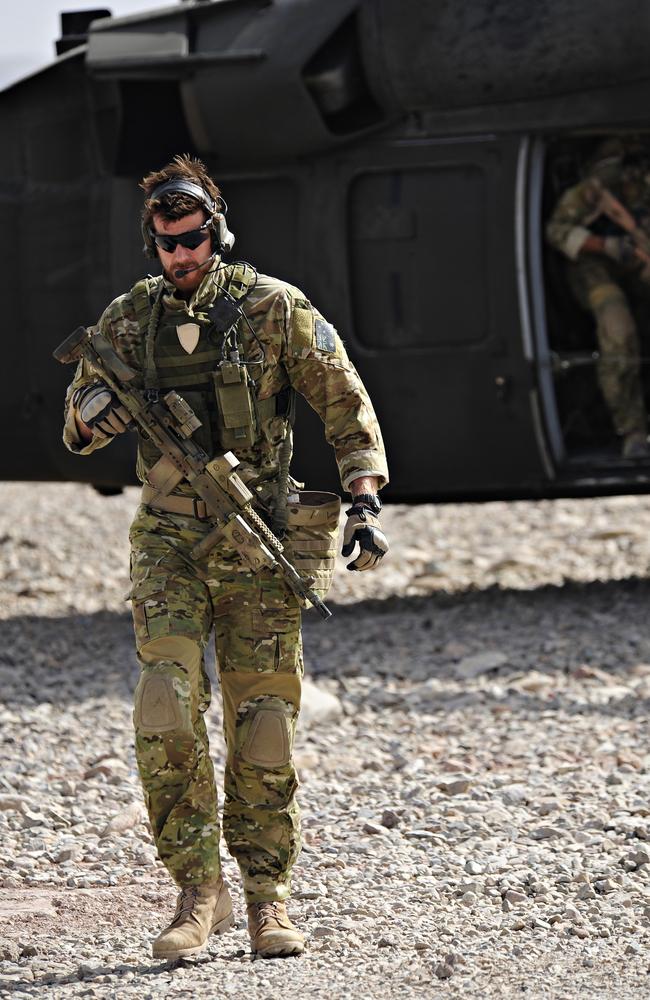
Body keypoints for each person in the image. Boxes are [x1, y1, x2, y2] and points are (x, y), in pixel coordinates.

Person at [62, 155, 389, 960]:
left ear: (218, 230)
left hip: (260, 535)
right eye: (168, 243)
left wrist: (364, 499)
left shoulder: (272, 309)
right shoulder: (128, 321)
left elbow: (344, 402)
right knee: (166, 704)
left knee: (265, 720)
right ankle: (193, 892)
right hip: (170, 536)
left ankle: (266, 899)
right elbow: (74, 427)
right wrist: (95, 415)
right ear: (153, 243)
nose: (182, 256)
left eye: (194, 239)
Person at [546, 137, 650, 458]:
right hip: (593, 269)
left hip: (638, 263)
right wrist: (605, 246)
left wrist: (634, 235)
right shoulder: (596, 188)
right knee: (617, 326)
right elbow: (557, 231)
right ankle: (632, 430)